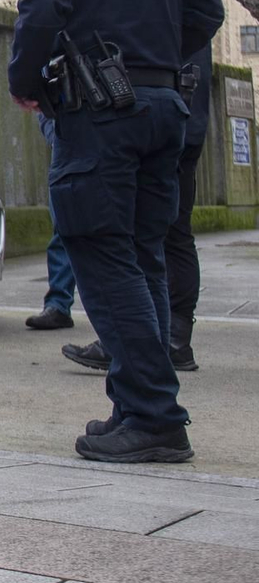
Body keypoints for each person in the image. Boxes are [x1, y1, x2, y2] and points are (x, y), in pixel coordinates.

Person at [8, 0, 222, 465]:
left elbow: (42, 2)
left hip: (99, 111)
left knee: (103, 255)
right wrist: (152, 64)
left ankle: (154, 415)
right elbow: (207, 11)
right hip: (163, 103)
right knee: (143, 254)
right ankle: (138, 405)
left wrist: (30, 79)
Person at [60, 44, 211, 373]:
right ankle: (170, 342)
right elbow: (207, 16)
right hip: (182, 109)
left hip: (142, 104)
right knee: (167, 235)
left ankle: (139, 346)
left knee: (128, 240)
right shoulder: (181, 0)